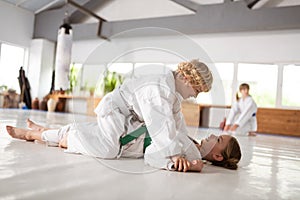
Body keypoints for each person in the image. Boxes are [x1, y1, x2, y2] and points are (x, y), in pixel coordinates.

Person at [6, 60, 242, 172]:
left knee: (105, 140)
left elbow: (176, 127)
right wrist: (177, 157)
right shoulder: (159, 90)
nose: (195, 96)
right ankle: (36, 134)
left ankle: (43, 131)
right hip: (116, 110)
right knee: (107, 149)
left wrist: (189, 157)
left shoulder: (172, 94)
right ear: (190, 81)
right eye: (197, 91)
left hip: (130, 119)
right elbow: (162, 130)